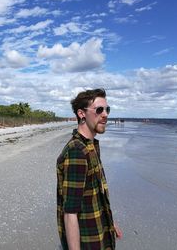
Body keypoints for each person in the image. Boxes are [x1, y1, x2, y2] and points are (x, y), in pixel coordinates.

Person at [56, 88, 122, 250]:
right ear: (81, 114)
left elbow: (95, 193)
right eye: (99, 110)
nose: (105, 114)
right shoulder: (77, 152)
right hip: (88, 241)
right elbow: (70, 212)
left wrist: (109, 222)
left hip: (99, 232)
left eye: (107, 109)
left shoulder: (90, 145)